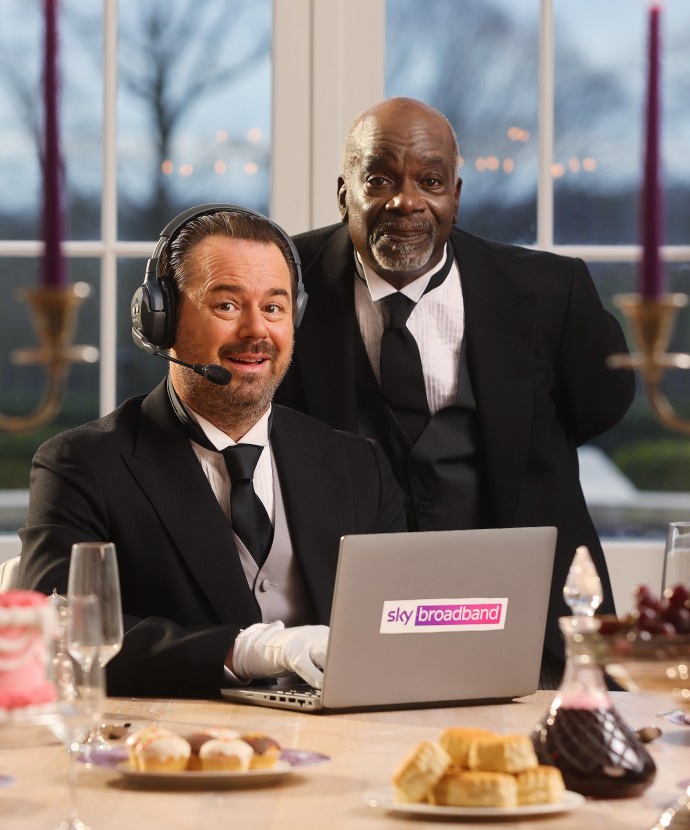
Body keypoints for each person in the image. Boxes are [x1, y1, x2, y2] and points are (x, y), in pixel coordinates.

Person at [275, 97, 636, 685]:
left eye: (430, 180)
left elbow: (601, 405)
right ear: (344, 194)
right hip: (341, 624)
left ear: (457, 195)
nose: (406, 202)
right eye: (379, 179)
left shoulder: (550, 291)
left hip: (534, 619)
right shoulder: (283, 281)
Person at [18, 205, 406, 698]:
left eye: (274, 307)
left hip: (346, 753)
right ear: (163, 321)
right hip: (172, 753)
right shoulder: (79, 466)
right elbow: (56, 636)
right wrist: (242, 650)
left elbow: (400, 625)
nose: (255, 331)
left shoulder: (358, 467)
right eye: (227, 306)